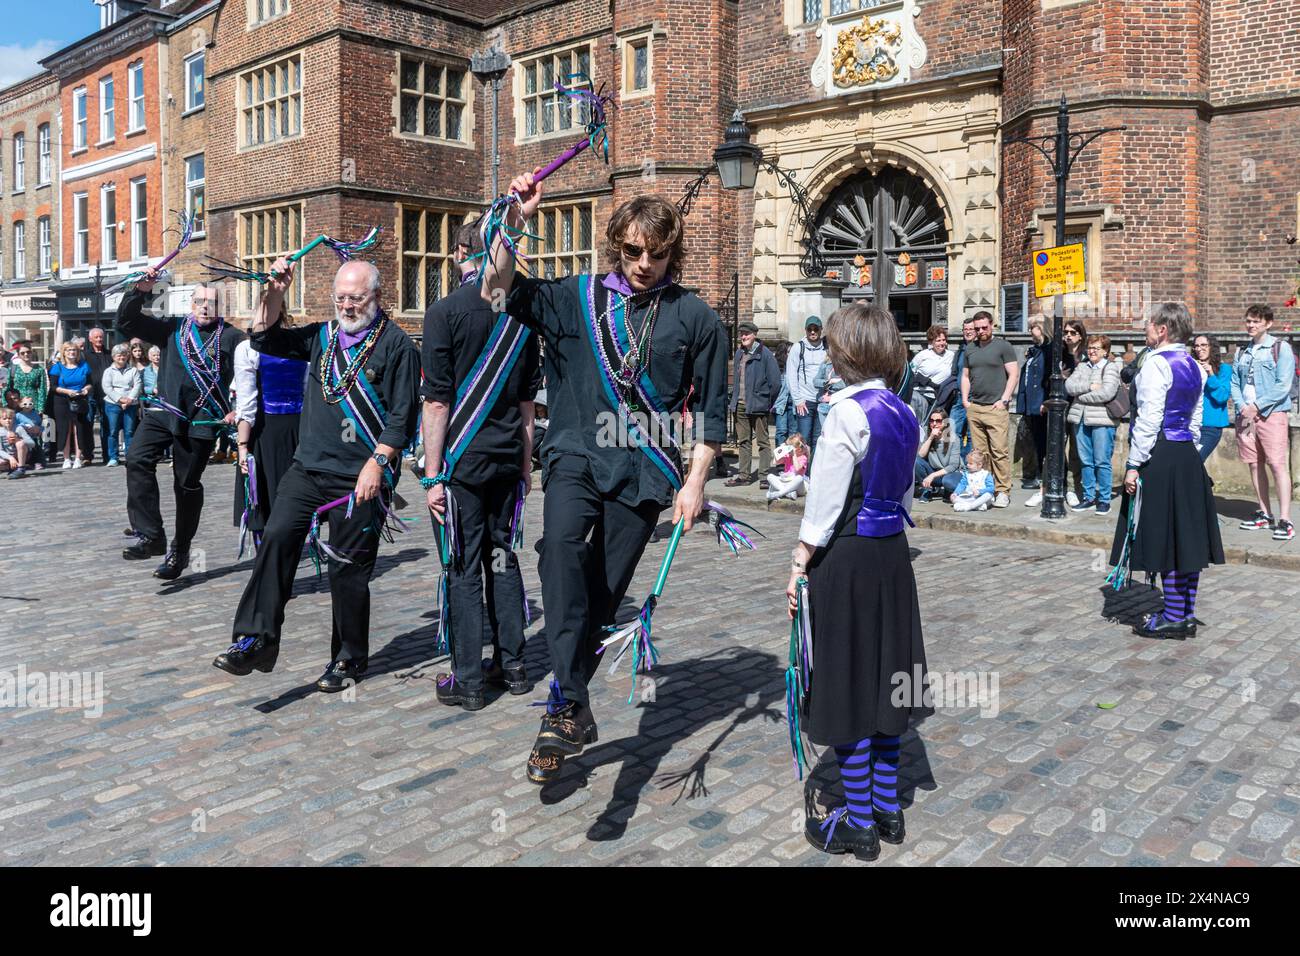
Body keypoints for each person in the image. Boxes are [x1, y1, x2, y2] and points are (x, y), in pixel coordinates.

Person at [481, 171, 726, 785]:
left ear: (674, 252)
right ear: (617, 245)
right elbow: (499, 285)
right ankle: (569, 703)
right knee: (558, 553)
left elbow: (715, 412)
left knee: (602, 597)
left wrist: (695, 483)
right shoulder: (575, 297)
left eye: (658, 253)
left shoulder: (696, 316)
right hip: (573, 457)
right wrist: (515, 221)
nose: (645, 263)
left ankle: (564, 714)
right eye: (634, 251)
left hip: (646, 472)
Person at [213, 258, 421, 692]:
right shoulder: (322, 336)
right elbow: (265, 339)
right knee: (275, 538)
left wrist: (378, 463)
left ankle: (347, 659)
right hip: (307, 467)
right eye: (340, 298)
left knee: (347, 569)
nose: (347, 306)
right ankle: (256, 639)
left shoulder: (397, 345)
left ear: (377, 297)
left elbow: (403, 416)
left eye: (356, 298)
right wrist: (275, 291)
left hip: (360, 475)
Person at [785, 302, 929, 860]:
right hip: (892, 554)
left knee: (848, 681)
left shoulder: (845, 413)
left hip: (846, 556)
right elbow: (905, 495)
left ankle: (859, 821)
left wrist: (800, 559)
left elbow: (823, 502)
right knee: (890, 676)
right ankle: (889, 807)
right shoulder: (903, 410)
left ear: (844, 352)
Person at [422, 222, 540, 710]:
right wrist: (526, 465)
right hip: (508, 458)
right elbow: (530, 405)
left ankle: (468, 680)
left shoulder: (444, 312)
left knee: (465, 566)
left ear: (458, 256)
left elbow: (436, 404)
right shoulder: (522, 318)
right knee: (503, 559)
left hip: (463, 464)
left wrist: (432, 476)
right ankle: (513, 667)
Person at [1110, 302, 1224, 637]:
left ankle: (1173, 617)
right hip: (1186, 454)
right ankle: (1184, 611)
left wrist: (1134, 464)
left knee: (1166, 535)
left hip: (1159, 453)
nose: (1145, 328)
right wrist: (1187, 450)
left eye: (1149, 324)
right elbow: (1196, 419)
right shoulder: (1194, 365)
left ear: (1162, 329)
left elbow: (1148, 419)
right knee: (1186, 534)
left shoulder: (1156, 364)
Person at [117, 280, 243, 580]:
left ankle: (180, 550)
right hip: (164, 413)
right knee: (136, 458)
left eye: (211, 302)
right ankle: (151, 535)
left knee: (185, 486)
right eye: (199, 301)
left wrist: (240, 408)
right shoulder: (172, 329)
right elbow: (126, 321)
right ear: (191, 304)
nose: (204, 307)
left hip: (200, 420)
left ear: (220, 307)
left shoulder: (233, 338)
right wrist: (140, 290)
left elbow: (253, 373)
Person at [231, 310, 308, 553]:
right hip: (298, 430)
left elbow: (247, 403)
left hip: (264, 431)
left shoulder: (248, 349)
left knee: (261, 497)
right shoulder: (300, 347)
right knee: (291, 496)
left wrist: (242, 446)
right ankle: (286, 555)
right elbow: (308, 393)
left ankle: (269, 562)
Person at [1230, 304, 1295, 541]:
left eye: (1256, 321)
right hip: (1245, 416)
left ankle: (1286, 519)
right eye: (1248, 321)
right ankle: (1265, 514)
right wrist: (1242, 407)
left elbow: (1283, 386)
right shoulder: (1241, 352)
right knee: (1254, 463)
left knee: (1277, 464)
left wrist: (1256, 407)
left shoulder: (1280, 348)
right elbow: (1235, 384)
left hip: (1271, 414)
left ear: (1268, 323)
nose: (1251, 325)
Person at [960, 310, 1017, 507]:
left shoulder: (1003, 346)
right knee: (980, 453)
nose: (981, 331)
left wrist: (1004, 400)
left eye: (984, 327)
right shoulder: (970, 349)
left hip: (995, 408)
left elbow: (1013, 374)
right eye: (977, 329)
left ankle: (1003, 490)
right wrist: (966, 401)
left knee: (999, 451)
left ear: (992, 325)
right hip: (975, 407)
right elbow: (965, 376)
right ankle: (987, 489)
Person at [1065, 334, 1123, 515]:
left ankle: (1104, 499)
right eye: (1090, 347)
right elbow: (1069, 386)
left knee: (1102, 461)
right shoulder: (1082, 366)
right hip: (1080, 419)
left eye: (1096, 348)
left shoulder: (1111, 367)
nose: (1092, 351)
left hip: (1102, 420)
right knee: (1085, 461)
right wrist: (1090, 386)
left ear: (1105, 351)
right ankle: (1088, 497)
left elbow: (1107, 393)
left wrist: (1080, 396)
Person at [726, 321, 781, 485]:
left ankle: (764, 476)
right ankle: (744, 476)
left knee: (763, 442)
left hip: (759, 405)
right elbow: (737, 380)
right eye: (741, 333)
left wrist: (765, 400)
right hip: (740, 404)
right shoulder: (739, 354)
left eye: (747, 334)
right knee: (743, 441)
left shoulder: (765, 354)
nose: (743, 336)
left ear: (754, 335)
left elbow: (776, 382)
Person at [1016, 316, 1051, 497]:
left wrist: (1045, 401)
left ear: (1042, 328)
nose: (1030, 332)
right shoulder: (1035, 351)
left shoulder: (1049, 350)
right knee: (1037, 441)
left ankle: (1045, 478)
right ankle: (1039, 475)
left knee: (1045, 442)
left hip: (1042, 405)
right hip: (1032, 403)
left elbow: (1047, 379)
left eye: (1032, 328)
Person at [785, 316, 828, 455]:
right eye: (810, 329)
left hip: (822, 400)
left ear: (821, 330)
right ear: (806, 330)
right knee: (804, 439)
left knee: (819, 439)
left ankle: (813, 473)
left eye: (816, 329)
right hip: (805, 401)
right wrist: (797, 399)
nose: (813, 332)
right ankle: (802, 473)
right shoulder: (799, 347)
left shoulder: (827, 348)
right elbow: (791, 375)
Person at [50, 341, 93, 469]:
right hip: (62, 400)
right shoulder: (57, 367)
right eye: (68, 350)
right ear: (64, 352)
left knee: (78, 429)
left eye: (74, 350)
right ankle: (66, 458)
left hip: (79, 400)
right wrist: (67, 391)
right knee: (65, 430)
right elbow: (53, 387)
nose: (71, 352)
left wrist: (86, 390)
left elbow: (90, 383)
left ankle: (78, 458)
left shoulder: (84, 365)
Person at [101, 343, 142, 466]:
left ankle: (129, 456)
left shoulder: (133, 370)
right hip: (113, 404)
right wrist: (120, 400)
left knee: (129, 431)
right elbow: (107, 388)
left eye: (124, 355)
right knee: (113, 431)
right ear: (113, 357)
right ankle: (113, 457)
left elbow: (137, 385)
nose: (121, 358)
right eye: (119, 356)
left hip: (131, 404)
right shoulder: (109, 371)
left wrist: (129, 399)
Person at [1192, 334, 1231, 463]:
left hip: (1210, 427)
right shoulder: (1191, 367)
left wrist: (1211, 375)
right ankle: (1202, 483)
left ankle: (1203, 483)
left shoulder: (1224, 370)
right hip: (1190, 424)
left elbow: (1222, 396)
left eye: (1203, 345)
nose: (1199, 349)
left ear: (1212, 347)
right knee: (1185, 464)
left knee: (1195, 462)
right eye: (1196, 345)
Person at [914, 407, 963, 501]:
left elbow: (953, 466)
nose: (934, 424)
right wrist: (931, 437)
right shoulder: (928, 434)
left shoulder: (954, 438)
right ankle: (927, 489)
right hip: (934, 472)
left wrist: (932, 476)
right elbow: (920, 455)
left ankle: (949, 491)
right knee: (916, 461)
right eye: (932, 421)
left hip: (951, 473)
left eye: (938, 421)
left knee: (948, 482)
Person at [945, 316, 977, 456]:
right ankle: (954, 462)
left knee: (972, 435)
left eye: (971, 329)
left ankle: (966, 464)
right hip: (959, 398)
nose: (968, 332)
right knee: (952, 431)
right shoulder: (960, 350)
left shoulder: (980, 349)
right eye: (965, 329)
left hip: (975, 398)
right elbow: (955, 373)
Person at [83, 327, 113, 465]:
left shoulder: (109, 354)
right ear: (90, 339)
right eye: (96, 337)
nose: (99, 339)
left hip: (107, 394)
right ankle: (88, 455)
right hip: (90, 394)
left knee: (106, 425)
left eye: (101, 337)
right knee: (88, 424)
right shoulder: (84, 355)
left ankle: (107, 454)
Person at [766, 433, 809, 501]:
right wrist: (780, 450)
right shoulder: (788, 456)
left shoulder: (803, 458)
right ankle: (788, 493)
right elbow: (775, 462)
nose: (789, 450)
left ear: (799, 449)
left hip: (798, 486)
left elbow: (797, 469)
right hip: (786, 483)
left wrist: (794, 455)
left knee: (799, 478)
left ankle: (779, 493)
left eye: (790, 447)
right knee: (769, 476)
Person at [0, 407, 32, 478]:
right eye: (4, 419)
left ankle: (21, 468)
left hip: (20, 455)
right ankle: (10, 468)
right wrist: (10, 458)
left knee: (20, 443)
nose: (8, 421)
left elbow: (32, 444)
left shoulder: (18, 428)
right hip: (7, 456)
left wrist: (17, 439)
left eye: (10, 418)